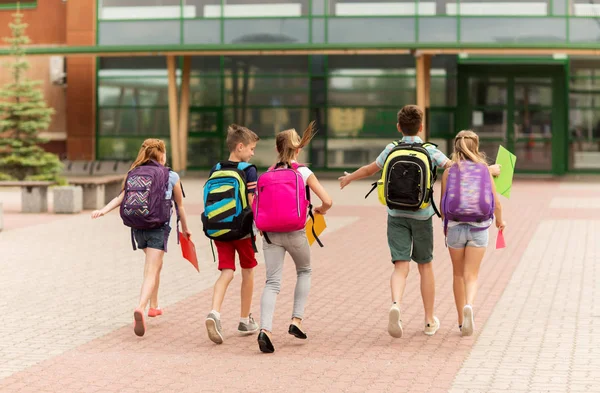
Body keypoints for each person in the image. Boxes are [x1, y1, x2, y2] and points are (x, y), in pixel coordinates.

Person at [339, 105, 449, 337]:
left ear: (398, 127)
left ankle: (396, 304)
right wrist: (487, 169)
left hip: (396, 215)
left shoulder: (391, 148)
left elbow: (371, 169)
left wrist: (350, 177)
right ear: (421, 127)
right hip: (422, 216)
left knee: (400, 266)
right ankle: (429, 320)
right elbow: (452, 166)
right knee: (425, 266)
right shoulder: (429, 150)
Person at [91, 138, 191, 337]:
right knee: (150, 271)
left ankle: (154, 306)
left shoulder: (133, 173)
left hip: (138, 228)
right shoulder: (171, 176)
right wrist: (186, 230)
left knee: (156, 266)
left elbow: (121, 198)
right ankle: (141, 307)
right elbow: (179, 206)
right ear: (161, 155)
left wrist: (103, 210)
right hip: (158, 228)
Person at [256, 123, 333, 353]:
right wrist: (320, 210)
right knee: (304, 270)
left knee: (272, 282)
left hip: (270, 235)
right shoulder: (303, 172)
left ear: (278, 149)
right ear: (297, 149)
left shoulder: (267, 174)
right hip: (296, 232)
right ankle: (296, 320)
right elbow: (328, 201)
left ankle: (265, 330)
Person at [440, 130, 506, 336]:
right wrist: (500, 222)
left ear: (456, 147)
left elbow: (443, 205)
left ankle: (461, 320)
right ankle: (469, 304)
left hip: (455, 228)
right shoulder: (484, 169)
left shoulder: (449, 171)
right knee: (472, 275)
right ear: (475, 146)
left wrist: (447, 223)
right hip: (479, 228)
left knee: (457, 274)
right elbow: (496, 203)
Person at [204, 124, 261, 344]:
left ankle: (214, 313)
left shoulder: (216, 169)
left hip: (218, 229)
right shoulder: (248, 170)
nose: (253, 153)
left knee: (226, 271)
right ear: (240, 147)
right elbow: (252, 202)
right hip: (242, 231)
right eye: (251, 148)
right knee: (248, 271)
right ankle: (245, 319)